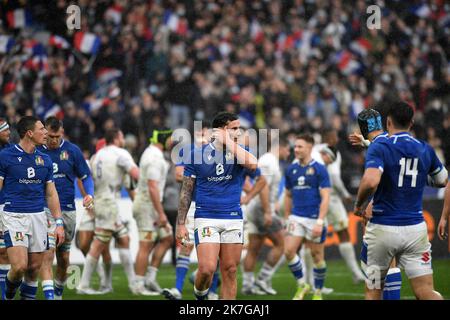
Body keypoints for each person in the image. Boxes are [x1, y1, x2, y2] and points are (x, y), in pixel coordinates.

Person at [354, 101, 448, 300]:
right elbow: (443, 181)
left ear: (388, 122)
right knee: (425, 291)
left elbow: (371, 181)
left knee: (373, 291)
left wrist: (358, 204)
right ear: (412, 123)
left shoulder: (382, 146)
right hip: (416, 229)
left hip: (383, 228)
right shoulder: (424, 148)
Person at [176, 112, 257, 300]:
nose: (239, 132)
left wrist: (229, 143)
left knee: (230, 269)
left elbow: (253, 165)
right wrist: (181, 224)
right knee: (206, 269)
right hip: (206, 217)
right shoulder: (197, 155)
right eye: (234, 128)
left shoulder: (239, 151)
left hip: (232, 217)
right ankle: (200, 296)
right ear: (221, 130)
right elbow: (186, 191)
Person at [0, 116, 65, 300]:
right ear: (29, 133)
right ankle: (9, 294)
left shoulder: (44, 160)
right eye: (42, 129)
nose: (46, 133)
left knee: (33, 269)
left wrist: (58, 221)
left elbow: (51, 194)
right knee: (19, 266)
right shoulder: (6, 156)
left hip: (38, 217)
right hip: (14, 216)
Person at [37, 117, 94, 299]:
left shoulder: (72, 151)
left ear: (62, 133)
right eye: (51, 136)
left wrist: (89, 194)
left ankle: (58, 293)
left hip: (68, 209)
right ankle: (49, 296)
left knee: (64, 259)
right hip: (44, 208)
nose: (54, 140)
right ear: (45, 131)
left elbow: (86, 176)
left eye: (57, 136)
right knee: (48, 253)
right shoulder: (35, 149)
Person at [77, 128, 139, 294]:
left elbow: (86, 179)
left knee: (124, 239)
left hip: (102, 202)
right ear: (118, 138)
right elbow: (135, 174)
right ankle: (84, 285)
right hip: (106, 203)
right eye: (122, 136)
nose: (124, 139)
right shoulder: (121, 153)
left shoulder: (96, 157)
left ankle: (131, 284)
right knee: (97, 245)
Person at [349, 108, 402, 300]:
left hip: (383, 210)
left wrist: (362, 204)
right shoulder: (395, 142)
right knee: (389, 265)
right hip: (405, 212)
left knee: (372, 267)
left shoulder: (376, 148)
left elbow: (371, 181)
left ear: (363, 128)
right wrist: (366, 143)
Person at [310, 129, 365, 285]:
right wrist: (346, 194)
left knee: (313, 238)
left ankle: (312, 282)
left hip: (314, 197)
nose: (336, 140)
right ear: (328, 138)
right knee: (342, 233)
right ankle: (356, 273)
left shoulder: (314, 150)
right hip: (331, 198)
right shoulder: (332, 153)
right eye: (333, 137)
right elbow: (334, 177)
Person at [162, 123, 210, 300]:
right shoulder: (187, 150)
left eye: (204, 132)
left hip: (212, 208)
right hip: (192, 205)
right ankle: (178, 289)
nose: (201, 135)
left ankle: (211, 290)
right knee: (185, 247)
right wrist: (203, 176)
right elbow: (177, 175)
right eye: (198, 132)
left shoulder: (218, 154)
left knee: (214, 252)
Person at [241, 137, 291, 295]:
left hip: (256, 206)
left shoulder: (268, 160)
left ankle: (248, 285)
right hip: (261, 208)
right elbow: (263, 187)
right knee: (282, 244)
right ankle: (263, 278)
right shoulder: (269, 161)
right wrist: (268, 210)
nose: (289, 153)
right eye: (288, 149)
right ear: (280, 147)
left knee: (254, 248)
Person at [284, 134, 331, 300]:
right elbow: (288, 195)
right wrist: (287, 217)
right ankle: (302, 284)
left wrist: (320, 221)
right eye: (295, 146)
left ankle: (318, 291)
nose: (296, 149)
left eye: (300, 146)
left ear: (310, 147)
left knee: (317, 256)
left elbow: (326, 196)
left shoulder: (319, 168)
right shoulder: (291, 169)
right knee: (289, 251)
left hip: (315, 218)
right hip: (296, 217)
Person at [132, 129, 174, 295]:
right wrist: (161, 213)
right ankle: (138, 284)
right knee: (146, 245)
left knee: (167, 238)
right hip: (147, 206)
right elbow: (152, 186)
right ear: (163, 139)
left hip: (150, 205)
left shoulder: (151, 153)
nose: (172, 142)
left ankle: (150, 278)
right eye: (170, 139)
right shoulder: (155, 159)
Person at [0, 118, 12, 299]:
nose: (9, 133)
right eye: (5, 130)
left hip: (5, 206)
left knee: (3, 251)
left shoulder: (9, 150)